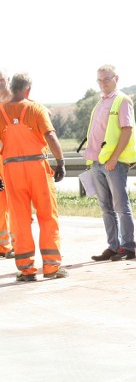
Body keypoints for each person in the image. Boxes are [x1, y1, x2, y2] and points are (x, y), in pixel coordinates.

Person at [0, 72, 67, 281]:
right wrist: (60, 162)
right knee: (47, 216)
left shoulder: (1, 112)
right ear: (28, 89)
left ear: (11, 87)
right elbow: (50, 135)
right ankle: (51, 268)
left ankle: (26, 270)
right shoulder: (36, 108)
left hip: (11, 171)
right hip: (37, 167)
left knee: (20, 219)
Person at [85, 64, 136, 262]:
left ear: (116, 79)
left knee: (120, 205)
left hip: (113, 162)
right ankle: (113, 246)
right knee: (105, 207)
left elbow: (126, 130)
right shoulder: (100, 102)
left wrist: (114, 158)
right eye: (99, 80)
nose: (103, 84)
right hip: (97, 161)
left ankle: (128, 247)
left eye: (106, 79)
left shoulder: (122, 100)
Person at [0, 69, 14, 259]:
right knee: (2, 205)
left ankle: (16, 244)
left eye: (1, 79)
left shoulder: (16, 103)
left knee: (16, 205)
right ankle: (5, 246)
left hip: (15, 161)